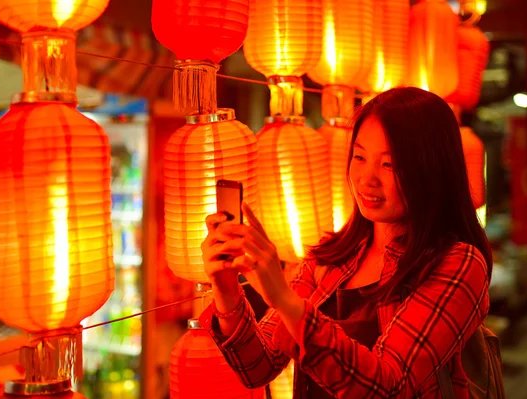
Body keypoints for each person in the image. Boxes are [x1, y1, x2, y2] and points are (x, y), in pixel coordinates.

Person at [198, 87, 492, 399]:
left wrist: (284, 299)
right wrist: (226, 287)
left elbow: (388, 385)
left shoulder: (458, 263)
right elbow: (257, 367)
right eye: (360, 157)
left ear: (431, 168)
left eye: (389, 164)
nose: (367, 178)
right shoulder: (332, 258)